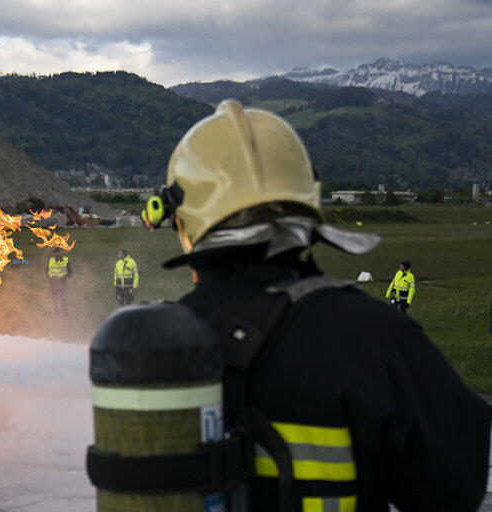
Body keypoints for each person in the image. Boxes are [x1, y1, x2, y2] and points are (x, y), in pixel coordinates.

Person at [141, 100, 490, 511]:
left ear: (178, 219)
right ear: (310, 199)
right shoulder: (375, 337)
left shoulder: (152, 349)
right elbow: (455, 489)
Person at [47, 247, 72, 317]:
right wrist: (51, 278)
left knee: (63, 298)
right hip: (53, 283)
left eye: (57, 252)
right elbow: (47, 271)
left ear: (60, 253)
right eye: (55, 253)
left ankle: (65, 313)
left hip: (62, 283)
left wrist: (64, 277)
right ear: (54, 253)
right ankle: (56, 313)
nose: (56, 254)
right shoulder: (51, 261)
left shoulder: (66, 260)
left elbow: (70, 271)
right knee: (55, 299)